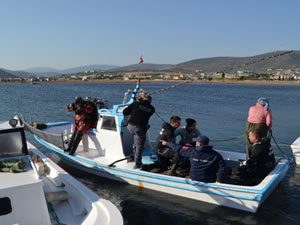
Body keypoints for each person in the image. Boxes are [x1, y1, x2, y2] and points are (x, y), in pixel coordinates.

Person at [123, 94, 155, 169]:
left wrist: (137, 101)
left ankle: (134, 154)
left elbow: (125, 112)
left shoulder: (136, 103)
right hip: (140, 128)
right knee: (139, 145)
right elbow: (145, 111)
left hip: (130, 126)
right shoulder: (152, 109)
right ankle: (137, 162)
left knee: (137, 141)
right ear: (150, 101)